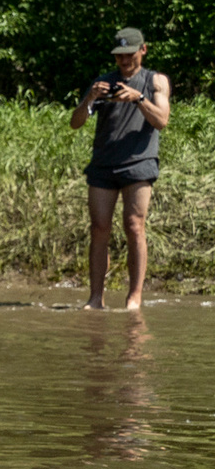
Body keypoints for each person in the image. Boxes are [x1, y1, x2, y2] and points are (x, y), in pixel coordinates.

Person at [74, 26, 171, 311]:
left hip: (139, 163)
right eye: (119, 56)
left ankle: (134, 297)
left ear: (143, 50)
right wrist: (90, 98)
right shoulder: (103, 82)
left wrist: (138, 99)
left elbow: (162, 120)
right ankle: (95, 299)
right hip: (103, 163)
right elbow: (76, 122)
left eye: (130, 54)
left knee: (134, 226)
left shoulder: (155, 81)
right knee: (99, 228)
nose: (125, 60)